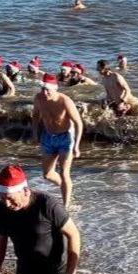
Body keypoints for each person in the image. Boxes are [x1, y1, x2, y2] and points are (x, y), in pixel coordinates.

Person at [32, 73, 85, 206]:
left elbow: (78, 123)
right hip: (48, 137)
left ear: (55, 88)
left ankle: (66, 207)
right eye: (42, 89)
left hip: (65, 138)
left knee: (64, 173)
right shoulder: (38, 98)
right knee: (47, 174)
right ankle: (67, 188)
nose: (44, 92)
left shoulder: (64, 101)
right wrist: (34, 134)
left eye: (47, 89)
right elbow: (35, 117)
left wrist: (76, 146)